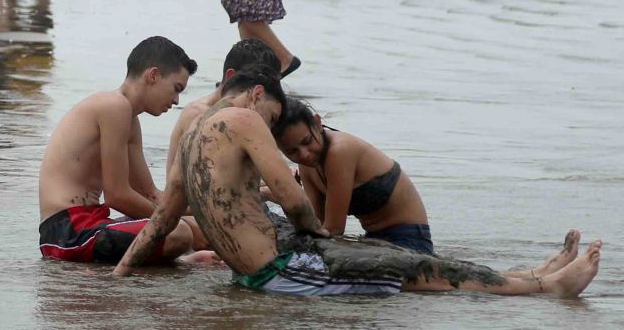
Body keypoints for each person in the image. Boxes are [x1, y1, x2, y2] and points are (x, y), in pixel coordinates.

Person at [116, 70, 601, 299]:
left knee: (410, 264)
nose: (273, 126)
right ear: (259, 95)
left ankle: (533, 277)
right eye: (274, 115)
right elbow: (291, 198)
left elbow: (160, 221)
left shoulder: (189, 142)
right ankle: (545, 287)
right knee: (413, 269)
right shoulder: (244, 118)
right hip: (286, 268)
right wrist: (319, 234)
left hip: (274, 264)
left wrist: (119, 275)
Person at [37, 37, 202, 264]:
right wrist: (172, 222)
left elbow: (148, 194)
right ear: (153, 75)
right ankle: (183, 260)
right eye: (176, 89)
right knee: (180, 233)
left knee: (196, 230)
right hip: (67, 232)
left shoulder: (130, 120)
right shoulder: (114, 106)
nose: (175, 100)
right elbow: (117, 196)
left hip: (89, 223)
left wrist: (203, 211)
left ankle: (183, 255)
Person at [272, 99, 435, 254]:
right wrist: (282, 193)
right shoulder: (307, 165)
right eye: (292, 151)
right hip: (373, 239)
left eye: (307, 141)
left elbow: (334, 229)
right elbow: (316, 224)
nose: (304, 154)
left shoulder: (340, 151)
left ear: (317, 123)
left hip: (410, 238)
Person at [164, 39, 280, 179]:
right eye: (258, 88)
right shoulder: (199, 115)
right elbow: (198, 184)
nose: (260, 96)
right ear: (231, 77)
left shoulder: (249, 117)